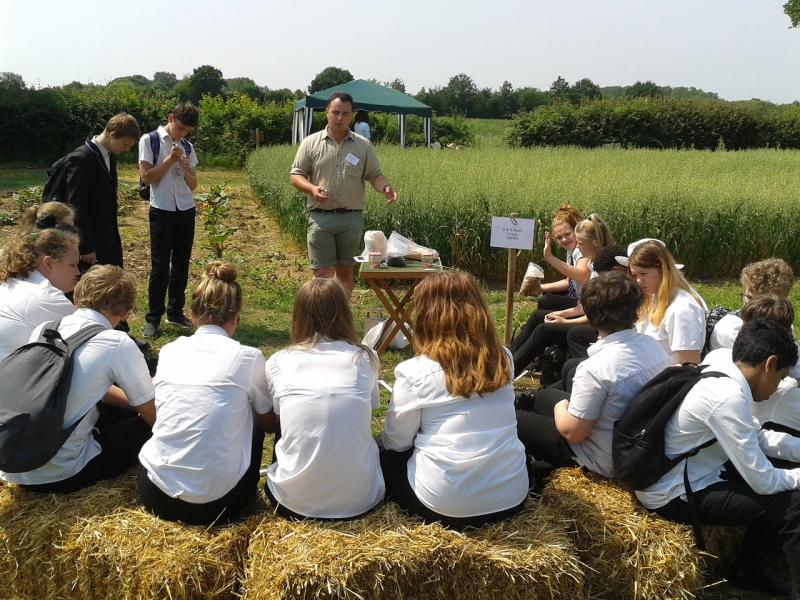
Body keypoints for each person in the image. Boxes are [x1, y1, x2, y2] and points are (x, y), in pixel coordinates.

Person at [635, 319, 800, 597]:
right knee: (791, 502)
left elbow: (756, 437)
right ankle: (757, 572)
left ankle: (751, 568)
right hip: (673, 493)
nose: (776, 388)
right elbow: (764, 482)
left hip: (691, 469)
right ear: (769, 364)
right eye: (781, 378)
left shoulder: (721, 367)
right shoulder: (727, 398)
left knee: (785, 476)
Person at [381, 271, 528, 528]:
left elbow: (396, 442)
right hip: (512, 497)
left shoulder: (414, 372)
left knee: (383, 457)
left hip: (444, 505)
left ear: (426, 316)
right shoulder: (504, 358)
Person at [138, 261, 274, 525]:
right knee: (251, 414)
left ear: (191, 314)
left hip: (156, 496)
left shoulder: (169, 351)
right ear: (236, 318)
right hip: (221, 505)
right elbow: (268, 423)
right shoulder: (249, 357)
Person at [0, 265, 155, 493]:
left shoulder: (46, 330)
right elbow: (152, 415)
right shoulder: (116, 343)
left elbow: (79, 385)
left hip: (14, 465)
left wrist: (134, 405)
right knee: (146, 428)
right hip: (63, 474)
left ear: (77, 298)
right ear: (126, 311)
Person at [515, 273, 670, 478]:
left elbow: (574, 433)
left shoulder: (595, 368)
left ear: (592, 316)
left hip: (601, 459)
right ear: (635, 310)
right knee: (543, 397)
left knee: (513, 419)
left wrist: (560, 407)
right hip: (635, 442)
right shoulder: (653, 346)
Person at [263, 278, 384, 520]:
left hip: (292, 502)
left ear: (298, 316)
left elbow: (278, 419)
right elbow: (372, 409)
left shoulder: (278, 361)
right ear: (343, 313)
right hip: (361, 498)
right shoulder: (365, 358)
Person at [290, 92, 397, 296]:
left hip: (351, 219)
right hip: (321, 218)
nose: (339, 118)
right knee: (321, 275)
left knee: (345, 273)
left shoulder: (362, 145)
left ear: (351, 115)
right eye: (335, 112)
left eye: (345, 114)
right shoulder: (310, 143)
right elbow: (296, 175)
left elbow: (375, 175)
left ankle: (338, 319)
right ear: (326, 113)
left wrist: (386, 189)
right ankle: (322, 321)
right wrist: (312, 189)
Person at [510, 214, 613, 376]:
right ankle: (511, 357)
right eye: (559, 237)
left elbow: (594, 313)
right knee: (543, 315)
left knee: (544, 329)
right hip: (588, 314)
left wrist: (564, 320)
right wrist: (562, 314)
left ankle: (509, 370)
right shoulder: (593, 262)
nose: (577, 248)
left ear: (593, 242)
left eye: (579, 243)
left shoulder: (601, 269)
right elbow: (585, 305)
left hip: (596, 326)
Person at [139, 102, 199, 338]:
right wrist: (170, 161)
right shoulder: (150, 140)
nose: (182, 134)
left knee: (182, 264)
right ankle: (153, 318)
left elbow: (193, 185)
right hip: (161, 208)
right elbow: (147, 178)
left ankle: (175, 312)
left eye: (187, 132)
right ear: (170, 118)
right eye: (180, 128)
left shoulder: (187, 146)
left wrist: (185, 169)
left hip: (185, 209)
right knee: (160, 265)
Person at [58, 113, 141, 270]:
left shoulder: (110, 156)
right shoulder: (82, 158)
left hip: (107, 237)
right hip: (90, 244)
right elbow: (76, 205)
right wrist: (85, 245)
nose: (127, 150)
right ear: (112, 134)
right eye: (125, 145)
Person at [0, 228, 79, 361]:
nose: (77, 272)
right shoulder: (46, 298)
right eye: (73, 265)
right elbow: (91, 341)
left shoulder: (9, 283)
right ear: (48, 263)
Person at [628, 239, 707, 365]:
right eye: (634, 275)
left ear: (663, 270)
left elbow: (689, 365)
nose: (638, 281)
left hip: (665, 380)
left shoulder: (682, 309)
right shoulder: (655, 298)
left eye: (643, 274)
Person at [709, 258, 794, 352]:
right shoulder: (731, 330)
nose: (748, 304)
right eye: (748, 297)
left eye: (758, 301)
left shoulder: (782, 323)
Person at [523, 203, 588, 309]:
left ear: (577, 229)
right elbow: (569, 282)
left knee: (546, 301)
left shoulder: (583, 248)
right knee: (546, 297)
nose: (564, 240)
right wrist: (540, 288)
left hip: (588, 303)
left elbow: (581, 276)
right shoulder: (571, 250)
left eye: (567, 234)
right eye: (559, 237)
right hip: (578, 298)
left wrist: (549, 257)